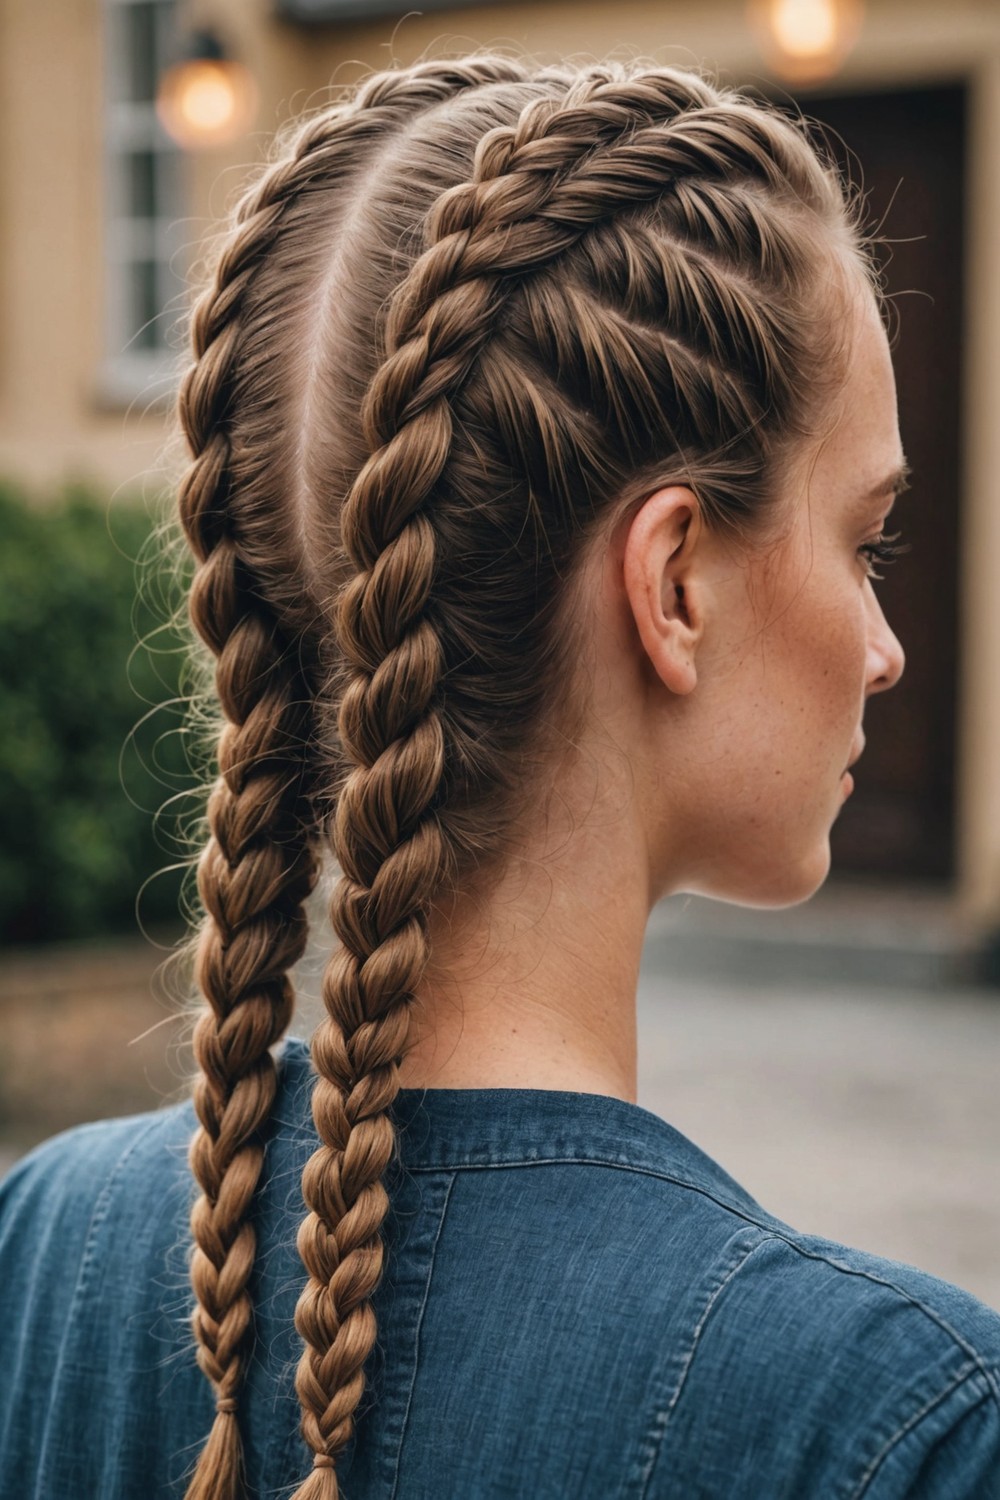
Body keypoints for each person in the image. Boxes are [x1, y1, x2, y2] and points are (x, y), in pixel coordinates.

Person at [0, 48, 997, 1500]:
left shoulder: (44, 1249)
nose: (886, 647)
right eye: (865, 544)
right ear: (674, 588)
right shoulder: (901, 1426)